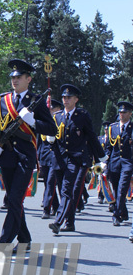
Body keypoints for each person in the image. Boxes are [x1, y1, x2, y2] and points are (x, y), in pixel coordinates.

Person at [0, 59, 55, 249]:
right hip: (6, 156)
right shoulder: (2, 100)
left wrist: (33, 122)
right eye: (12, 77)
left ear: (28, 79)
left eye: (18, 77)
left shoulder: (36, 102)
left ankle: (4, 242)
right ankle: (24, 239)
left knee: (15, 199)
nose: (14, 80)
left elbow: (52, 129)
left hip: (25, 157)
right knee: (14, 200)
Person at [47, 84, 105, 234]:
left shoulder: (82, 116)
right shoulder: (56, 117)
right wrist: (49, 138)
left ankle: (58, 221)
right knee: (63, 191)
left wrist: (101, 157)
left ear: (76, 99)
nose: (65, 100)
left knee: (67, 190)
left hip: (76, 158)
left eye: (69, 97)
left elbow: (91, 137)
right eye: (64, 97)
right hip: (59, 158)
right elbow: (52, 137)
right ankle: (70, 223)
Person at [106, 101, 133, 227]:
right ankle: (124, 211)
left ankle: (116, 215)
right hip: (114, 163)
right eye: (120, 112)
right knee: (117, 189)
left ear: (130, 114)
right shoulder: (113, 127)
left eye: (124, 112)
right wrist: (105, 162)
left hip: (127, 162)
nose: (122, 114)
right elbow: (108, 148)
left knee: (122, 190)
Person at [38, 98, 63, 219]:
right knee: (47, 184)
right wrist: (37, 156)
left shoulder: (60, 122)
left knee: (51, 182)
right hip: (44, 156)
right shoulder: (44, 122)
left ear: (58, 109)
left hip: (55, 156)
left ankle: (46, 209)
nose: (51, 110)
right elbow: (39, 141)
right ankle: (57, 206)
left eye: (52, 108)